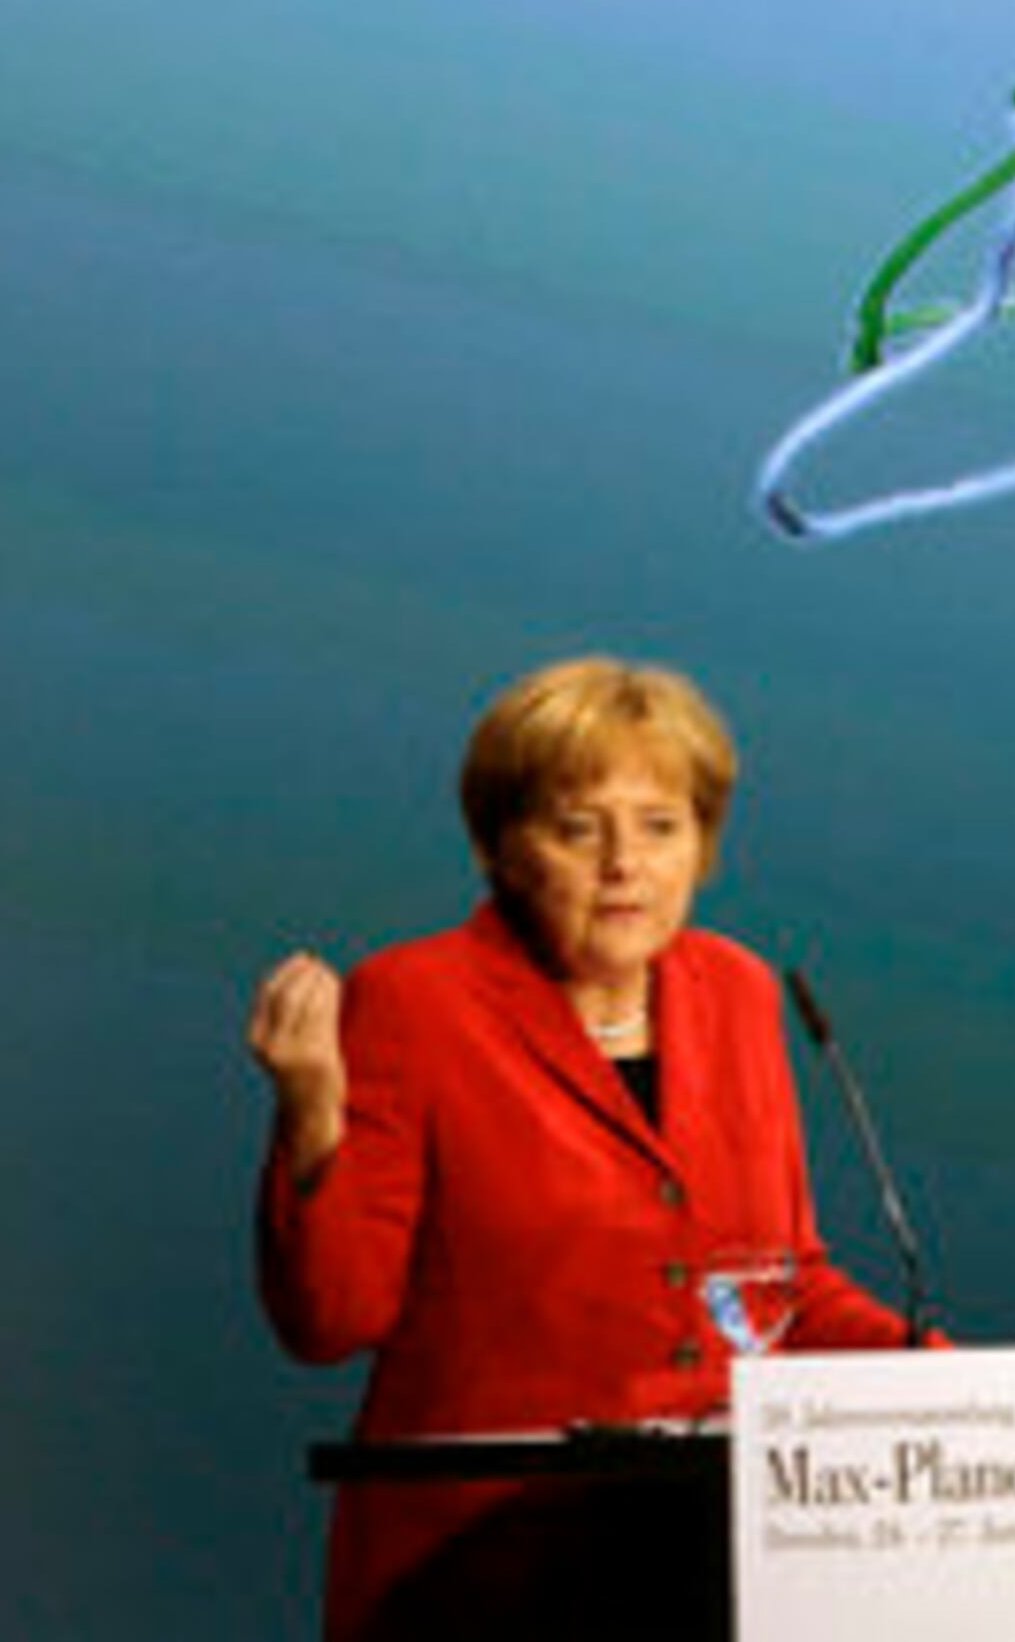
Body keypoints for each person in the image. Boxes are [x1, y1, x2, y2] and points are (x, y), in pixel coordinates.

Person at [249, 657, 923, 1641]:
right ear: (501, 847)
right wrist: (313, 1109)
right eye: (577, 827)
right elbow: (331, 1317)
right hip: (484, 1573)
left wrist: (960, 1389)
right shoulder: (415, 1002)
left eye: (661, 824)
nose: (624, 862)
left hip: (709, 1560)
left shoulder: (735, 990)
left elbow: (779, 1287)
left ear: (703, 848)